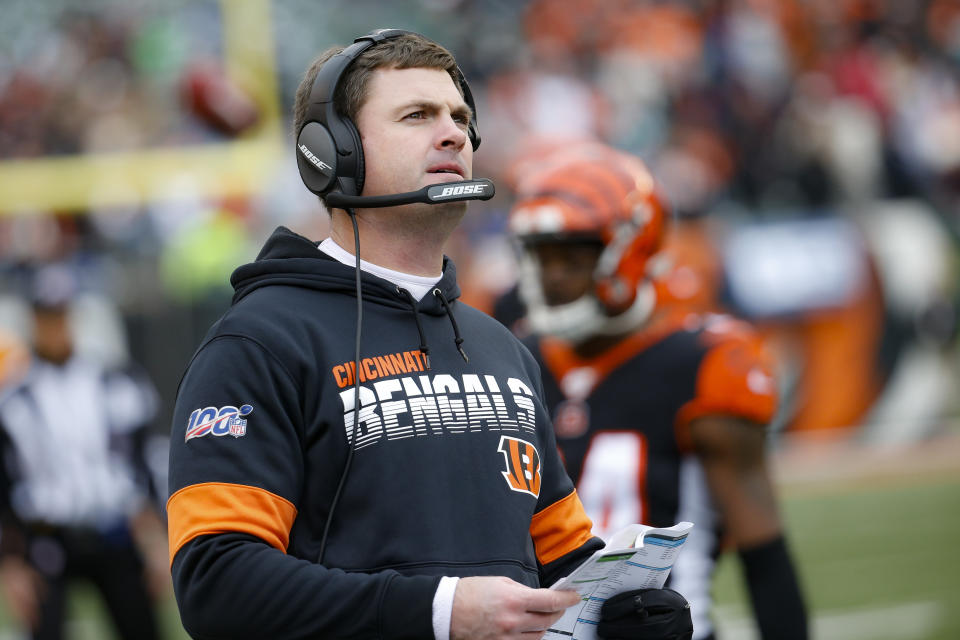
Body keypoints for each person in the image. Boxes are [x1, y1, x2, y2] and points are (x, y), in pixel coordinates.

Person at [167, 29, 692, 640]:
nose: (453, 134)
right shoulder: (258, 344)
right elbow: (216, 583)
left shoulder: (503, 349)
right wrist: (440, 612)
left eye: (460, 117)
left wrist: (623, 614)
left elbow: (561, 561)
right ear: (331, 150)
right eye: (417, 115)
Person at [501, 144, 809, 640]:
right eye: (541, 256)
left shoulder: (702, 363)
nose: (552, 276)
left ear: (630, 249)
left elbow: (764, 552)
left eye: (572, 256)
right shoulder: (512, 357)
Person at [0, 264, 167, 640]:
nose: (54, 326)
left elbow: (142, 463)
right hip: (47, 538)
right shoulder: (13, 398)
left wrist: (157, 540)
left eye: (60, 315)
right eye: (45, 316)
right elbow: (5, 484)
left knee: (143, 627)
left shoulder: (115, 382)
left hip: (115, 532)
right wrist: (10, 563)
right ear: (31, 319)